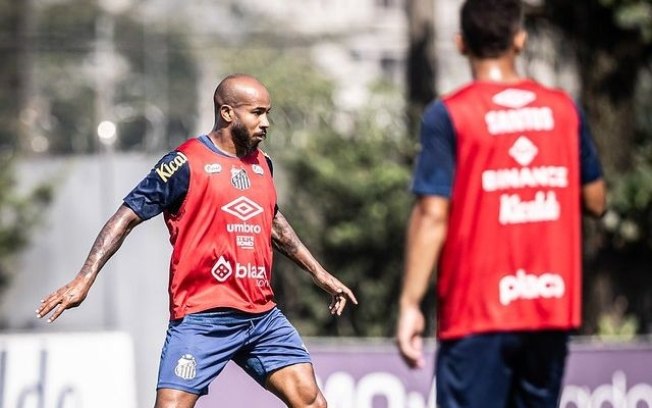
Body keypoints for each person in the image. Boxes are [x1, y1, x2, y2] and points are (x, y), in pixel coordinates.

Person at [37, 74, 358, 408]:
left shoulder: (263, 164)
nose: (266, 123)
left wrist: (320, 274)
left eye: (267, 113)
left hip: (261, 316)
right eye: (257, 113)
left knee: (311, 402)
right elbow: (126, 216)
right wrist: (84, 277)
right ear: (228, 112)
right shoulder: (184, 162)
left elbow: (273, 221)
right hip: (203, 317)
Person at [395, 0, 606, 407]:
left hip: (477, 311)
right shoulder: (563, 109)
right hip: (549, 305)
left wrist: (409, 304)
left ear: (461, 44)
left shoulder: (450, 114)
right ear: (520, 40)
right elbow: (595, 201)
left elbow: (432, 214)